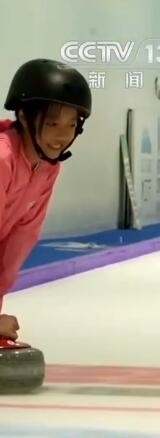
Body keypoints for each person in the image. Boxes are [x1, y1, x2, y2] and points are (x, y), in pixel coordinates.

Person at [0, 59, 92, 341]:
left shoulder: (47, 167)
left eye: (71, 124)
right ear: (24, 116)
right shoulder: (3, 159)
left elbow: (22, 235)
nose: (62, 135)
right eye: (52, 123)